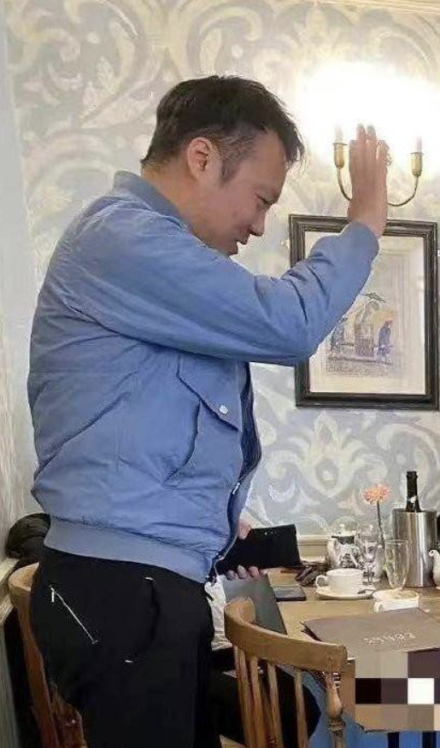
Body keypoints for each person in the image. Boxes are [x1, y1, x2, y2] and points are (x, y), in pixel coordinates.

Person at [27, 75, 388, 748]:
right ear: (201, 157)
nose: (259, 223)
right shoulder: (122, 237)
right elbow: (287, 322)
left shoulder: (135, 251)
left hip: (142, 584)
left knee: (292, 715)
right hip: (126, 590)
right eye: (261, 198)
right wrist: (364, 223)